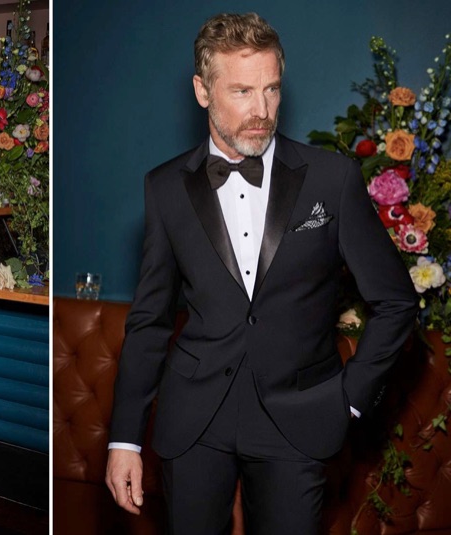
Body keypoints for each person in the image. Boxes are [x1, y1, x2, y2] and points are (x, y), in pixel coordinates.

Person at [105, 12, 418, 535]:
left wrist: (352, 400)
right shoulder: (164, 188)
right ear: (203, 91)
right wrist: (125, 440)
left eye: (271, 90)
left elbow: (396, 301)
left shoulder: (331, 178)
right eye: (242, 91)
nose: (261, 111)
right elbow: (149, 322)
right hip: (194, 422)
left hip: (300, 419)